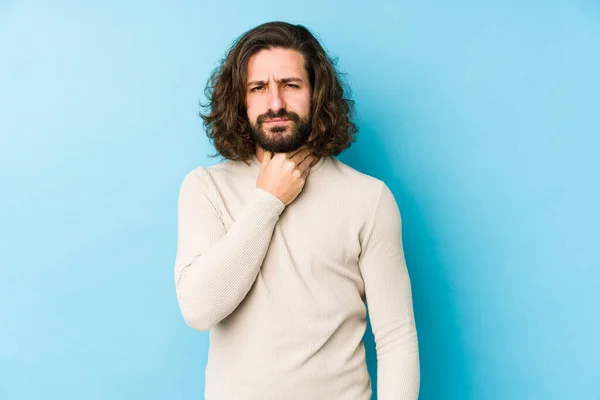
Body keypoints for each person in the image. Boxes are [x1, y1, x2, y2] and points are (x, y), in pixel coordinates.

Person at [173, 21, 420, 399]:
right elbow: (199, 309)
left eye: (290, 85)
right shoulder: (206, 188)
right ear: (241, 100)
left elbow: (396, 337)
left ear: (315, 93)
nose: (275, 103)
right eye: (258, 88)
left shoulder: (368, 198)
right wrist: (268, 200)